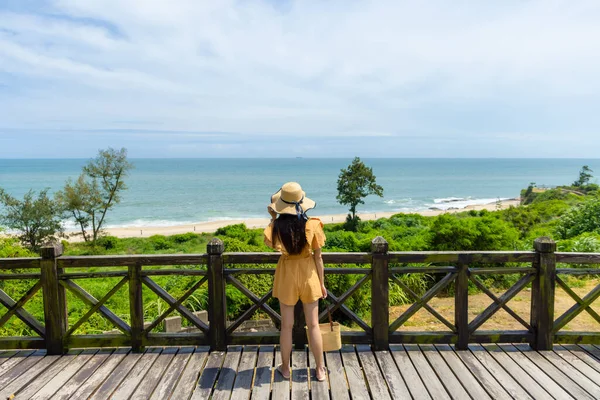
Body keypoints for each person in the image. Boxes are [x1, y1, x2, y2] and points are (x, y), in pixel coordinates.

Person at [263, 182, 327, 382]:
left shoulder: (275, 227)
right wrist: (322, 284)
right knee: (314, 325)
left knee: (287, 326)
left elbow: (272, 243)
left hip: (287, 275)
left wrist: (274, 218)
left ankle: (285, 368)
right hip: (309, 274)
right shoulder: (313, 225)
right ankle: (320, 369)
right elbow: (318, 258)